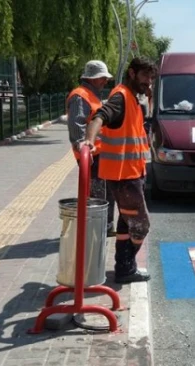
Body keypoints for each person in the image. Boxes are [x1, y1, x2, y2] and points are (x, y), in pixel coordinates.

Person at [80, 57, 156, 284]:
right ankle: (125, 266)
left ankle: (125, 269)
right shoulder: (121, 96)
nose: (148, 82)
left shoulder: (133, 98)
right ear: (131, 73)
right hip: (124, 176)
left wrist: (148, 101)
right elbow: (98, 117)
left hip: (132, 172)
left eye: (151, 78)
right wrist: (89, 141)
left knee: (126, 222)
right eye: (145, 77)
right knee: (141, 225)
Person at [66, 60, 116, 237]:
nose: (105, 82)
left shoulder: (91, 94)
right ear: (93, 79)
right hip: (92, 155)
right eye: (102, 78)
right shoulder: (81, 96)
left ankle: (105, 227)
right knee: (97, 193)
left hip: (100, 153)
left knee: (105, 191)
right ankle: (96, 230)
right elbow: (77, 124)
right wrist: (83, 151)